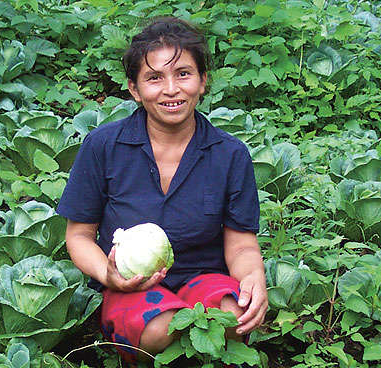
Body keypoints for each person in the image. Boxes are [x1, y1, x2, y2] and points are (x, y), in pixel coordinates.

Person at [56, 16, 268, 363]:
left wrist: (253, 278)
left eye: (183, 73)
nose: (171, 89)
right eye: (154, 78)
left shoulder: (230, 154)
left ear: (202, 81)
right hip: (131, 283)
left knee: (234, 315)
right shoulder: (103, 146)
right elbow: (79, 236)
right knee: (160, 329)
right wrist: (108, 274)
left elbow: (242, 243)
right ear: (134, 89)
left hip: (204, 276)